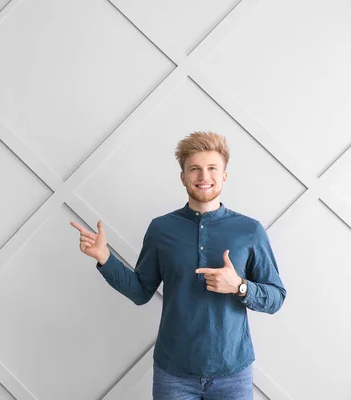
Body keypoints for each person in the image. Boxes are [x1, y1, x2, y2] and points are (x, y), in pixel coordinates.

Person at [70, 131, 286, 399]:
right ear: (183, 177)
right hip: (174, 373)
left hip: (233, 371)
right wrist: (104, 257)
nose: (203, 176)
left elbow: (276, 297)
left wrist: (240, 286)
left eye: (211, 169)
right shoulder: (161, 229)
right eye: (195, 169)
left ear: (224, 176)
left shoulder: (249, 230)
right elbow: (140, 292)